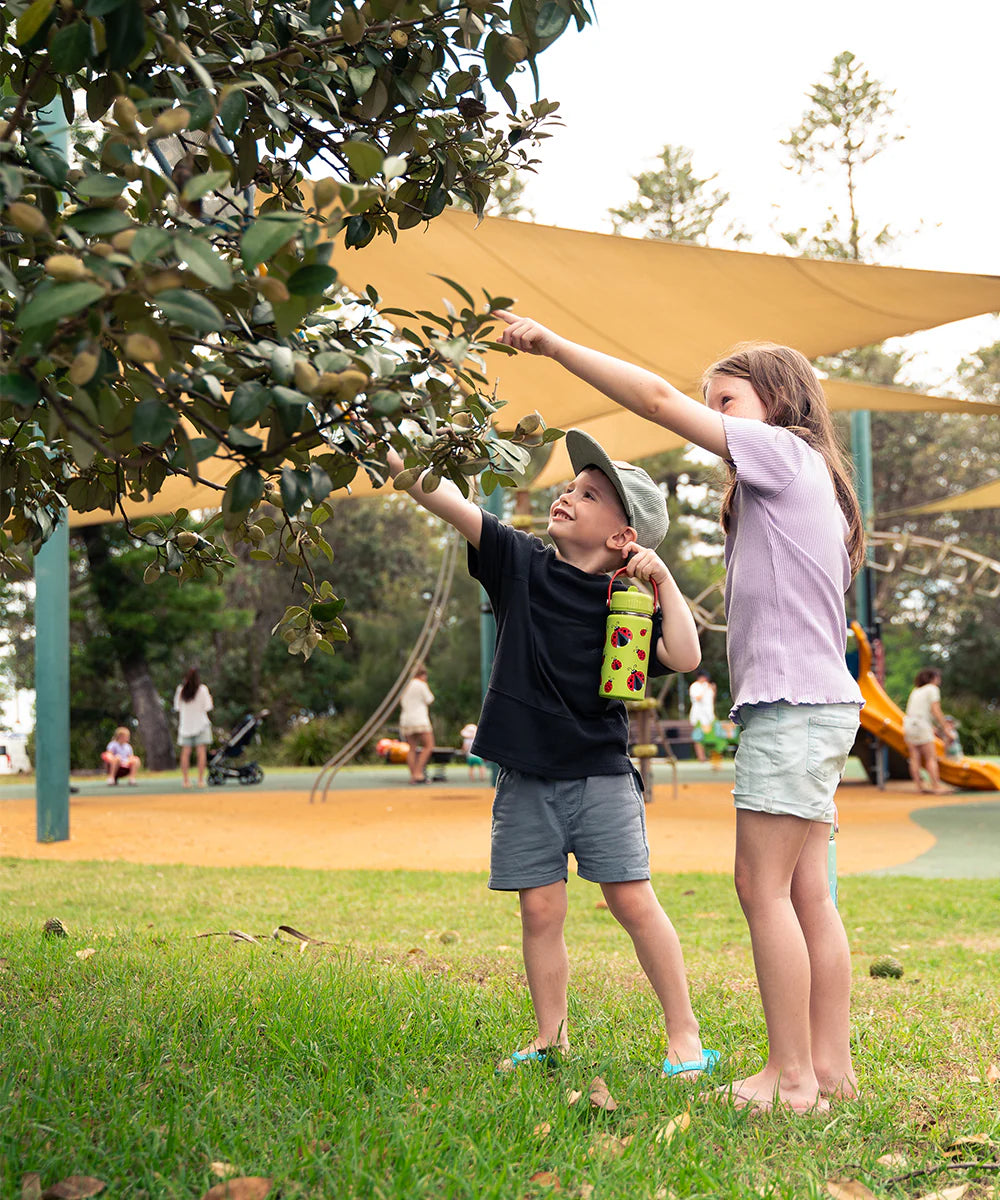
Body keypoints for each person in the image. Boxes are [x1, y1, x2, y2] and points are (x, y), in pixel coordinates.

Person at [496, 311, 864, 1115]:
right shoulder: (810, 484)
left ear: (779, 403)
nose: (713, 415)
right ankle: (828, 1069)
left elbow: (657, 400)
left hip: (794, 710)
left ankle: (792, 1080)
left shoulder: (781, 451)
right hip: (822, 705)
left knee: (760, 889)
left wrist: (555, 346)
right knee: (807, 894)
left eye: (726, 401)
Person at [386, 430, 717, 1080]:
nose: (567, 495)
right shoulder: (520, 562)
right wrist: (388, 452)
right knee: (539, 909)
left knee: (632, 901)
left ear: (623, 533)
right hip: (526, 778)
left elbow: (686, 657)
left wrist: (661, 577)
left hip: (599, 776)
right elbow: (443, 498)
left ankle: (685, 1033)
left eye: (589, 494)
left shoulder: (629, 603)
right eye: (571, 487)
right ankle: (549, 1038)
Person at [903, 668, 950, 792]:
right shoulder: (932, 689)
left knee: (914, 757)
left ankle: (919, 787)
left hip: (909, 723)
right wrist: (945, 726)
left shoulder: (916, 690)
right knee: (930, 757)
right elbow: (935, 710)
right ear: (933, 678)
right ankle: (936, 786)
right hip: (921, 723)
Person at [173, 667, 213, 788]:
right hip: (201, 725)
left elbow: (177, 707)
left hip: (186, 726)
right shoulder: (203, 690)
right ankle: (200, 780)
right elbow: (208, 707)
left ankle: (185, 780)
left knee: (185, 753)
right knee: (201, 753)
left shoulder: (181, 690)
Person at [398, 665, 435, 785]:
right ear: (423, 675)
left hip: (406, 719)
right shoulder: (421, 684)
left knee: (412, 748)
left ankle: (413, 775)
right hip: (420, 719)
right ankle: (418, 773)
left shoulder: (406, 685)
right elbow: (429, 699)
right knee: (429, 745)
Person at [688, 670, 717, 764]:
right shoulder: (695, 686)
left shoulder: (708, 687)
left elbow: (711, 701)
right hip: (698, 715)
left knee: (709, 736)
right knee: (698, 736)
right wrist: (704, 689)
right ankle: (701, 757)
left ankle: (710, 756)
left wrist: (713, 689)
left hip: (709, 715)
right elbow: (697, 698)